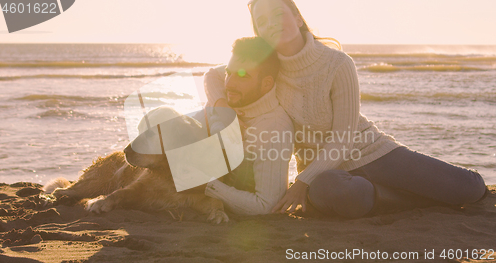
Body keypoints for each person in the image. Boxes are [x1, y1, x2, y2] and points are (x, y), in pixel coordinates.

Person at [204, 0, 488, 218]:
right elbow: (213, 76)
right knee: (329, 191)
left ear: (298, 17)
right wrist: (221, 108)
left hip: (373, 154)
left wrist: (300, 182)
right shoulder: (268, 69)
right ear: (258, 32)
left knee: (470, 189)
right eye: (262, 21)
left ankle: (407, 194)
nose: (271, 24)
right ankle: (403, 198)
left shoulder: (338, 64)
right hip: (325, 174)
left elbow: (343, 138)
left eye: (278, 14)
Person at [203, 37, 294, 215]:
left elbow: (265, 206)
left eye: (242, 76)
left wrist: (207, 184)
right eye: (229, 72)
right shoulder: (233, 100)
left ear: (267, 84)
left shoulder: (274, 129)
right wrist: (223, 109)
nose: (228, 83)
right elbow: (212, 74)